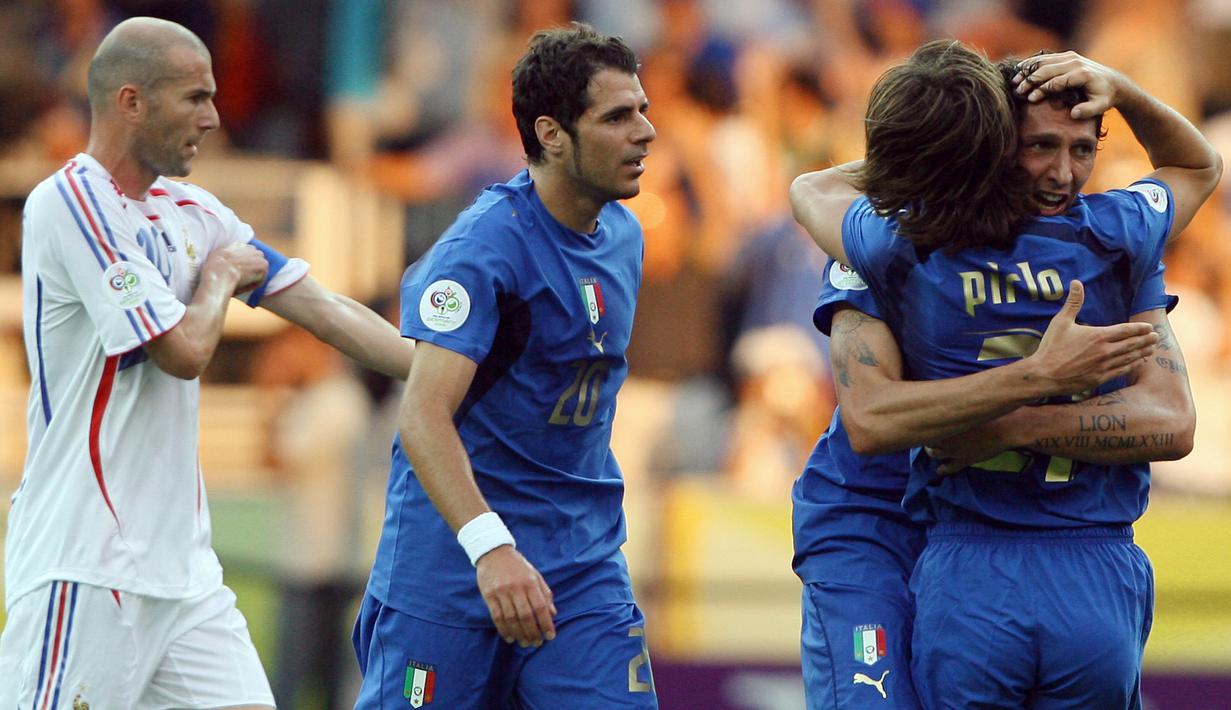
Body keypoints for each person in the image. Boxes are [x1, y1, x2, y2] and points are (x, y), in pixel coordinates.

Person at [0, 17, 414, 710]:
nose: (215, 117)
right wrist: (221, 279)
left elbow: (323, 309)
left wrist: (445, 374)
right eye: (194, 97)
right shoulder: (71, 203)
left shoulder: (195, 211)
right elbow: (183, 353)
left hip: (186, 580)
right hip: (86, 566)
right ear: (131, 101)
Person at [791, 41, 1220, 708]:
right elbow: (871, 421)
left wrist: (1008, 422)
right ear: (989, 149)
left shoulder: (886, 242)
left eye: (1082, 148)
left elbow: (1170, 419)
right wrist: (1035, 377)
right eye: (1037, 148)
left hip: (975, 541)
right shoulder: (1115, 236)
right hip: (869, 521)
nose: (1063, 173)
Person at [352, 22, 658, 709]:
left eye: (641, 109)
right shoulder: (480, 253)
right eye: (617, 116)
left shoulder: (625, 236)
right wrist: (491, 548)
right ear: (551, 133)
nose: (645, 131)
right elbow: (422, 416)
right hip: (456, 568)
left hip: (580, 567)